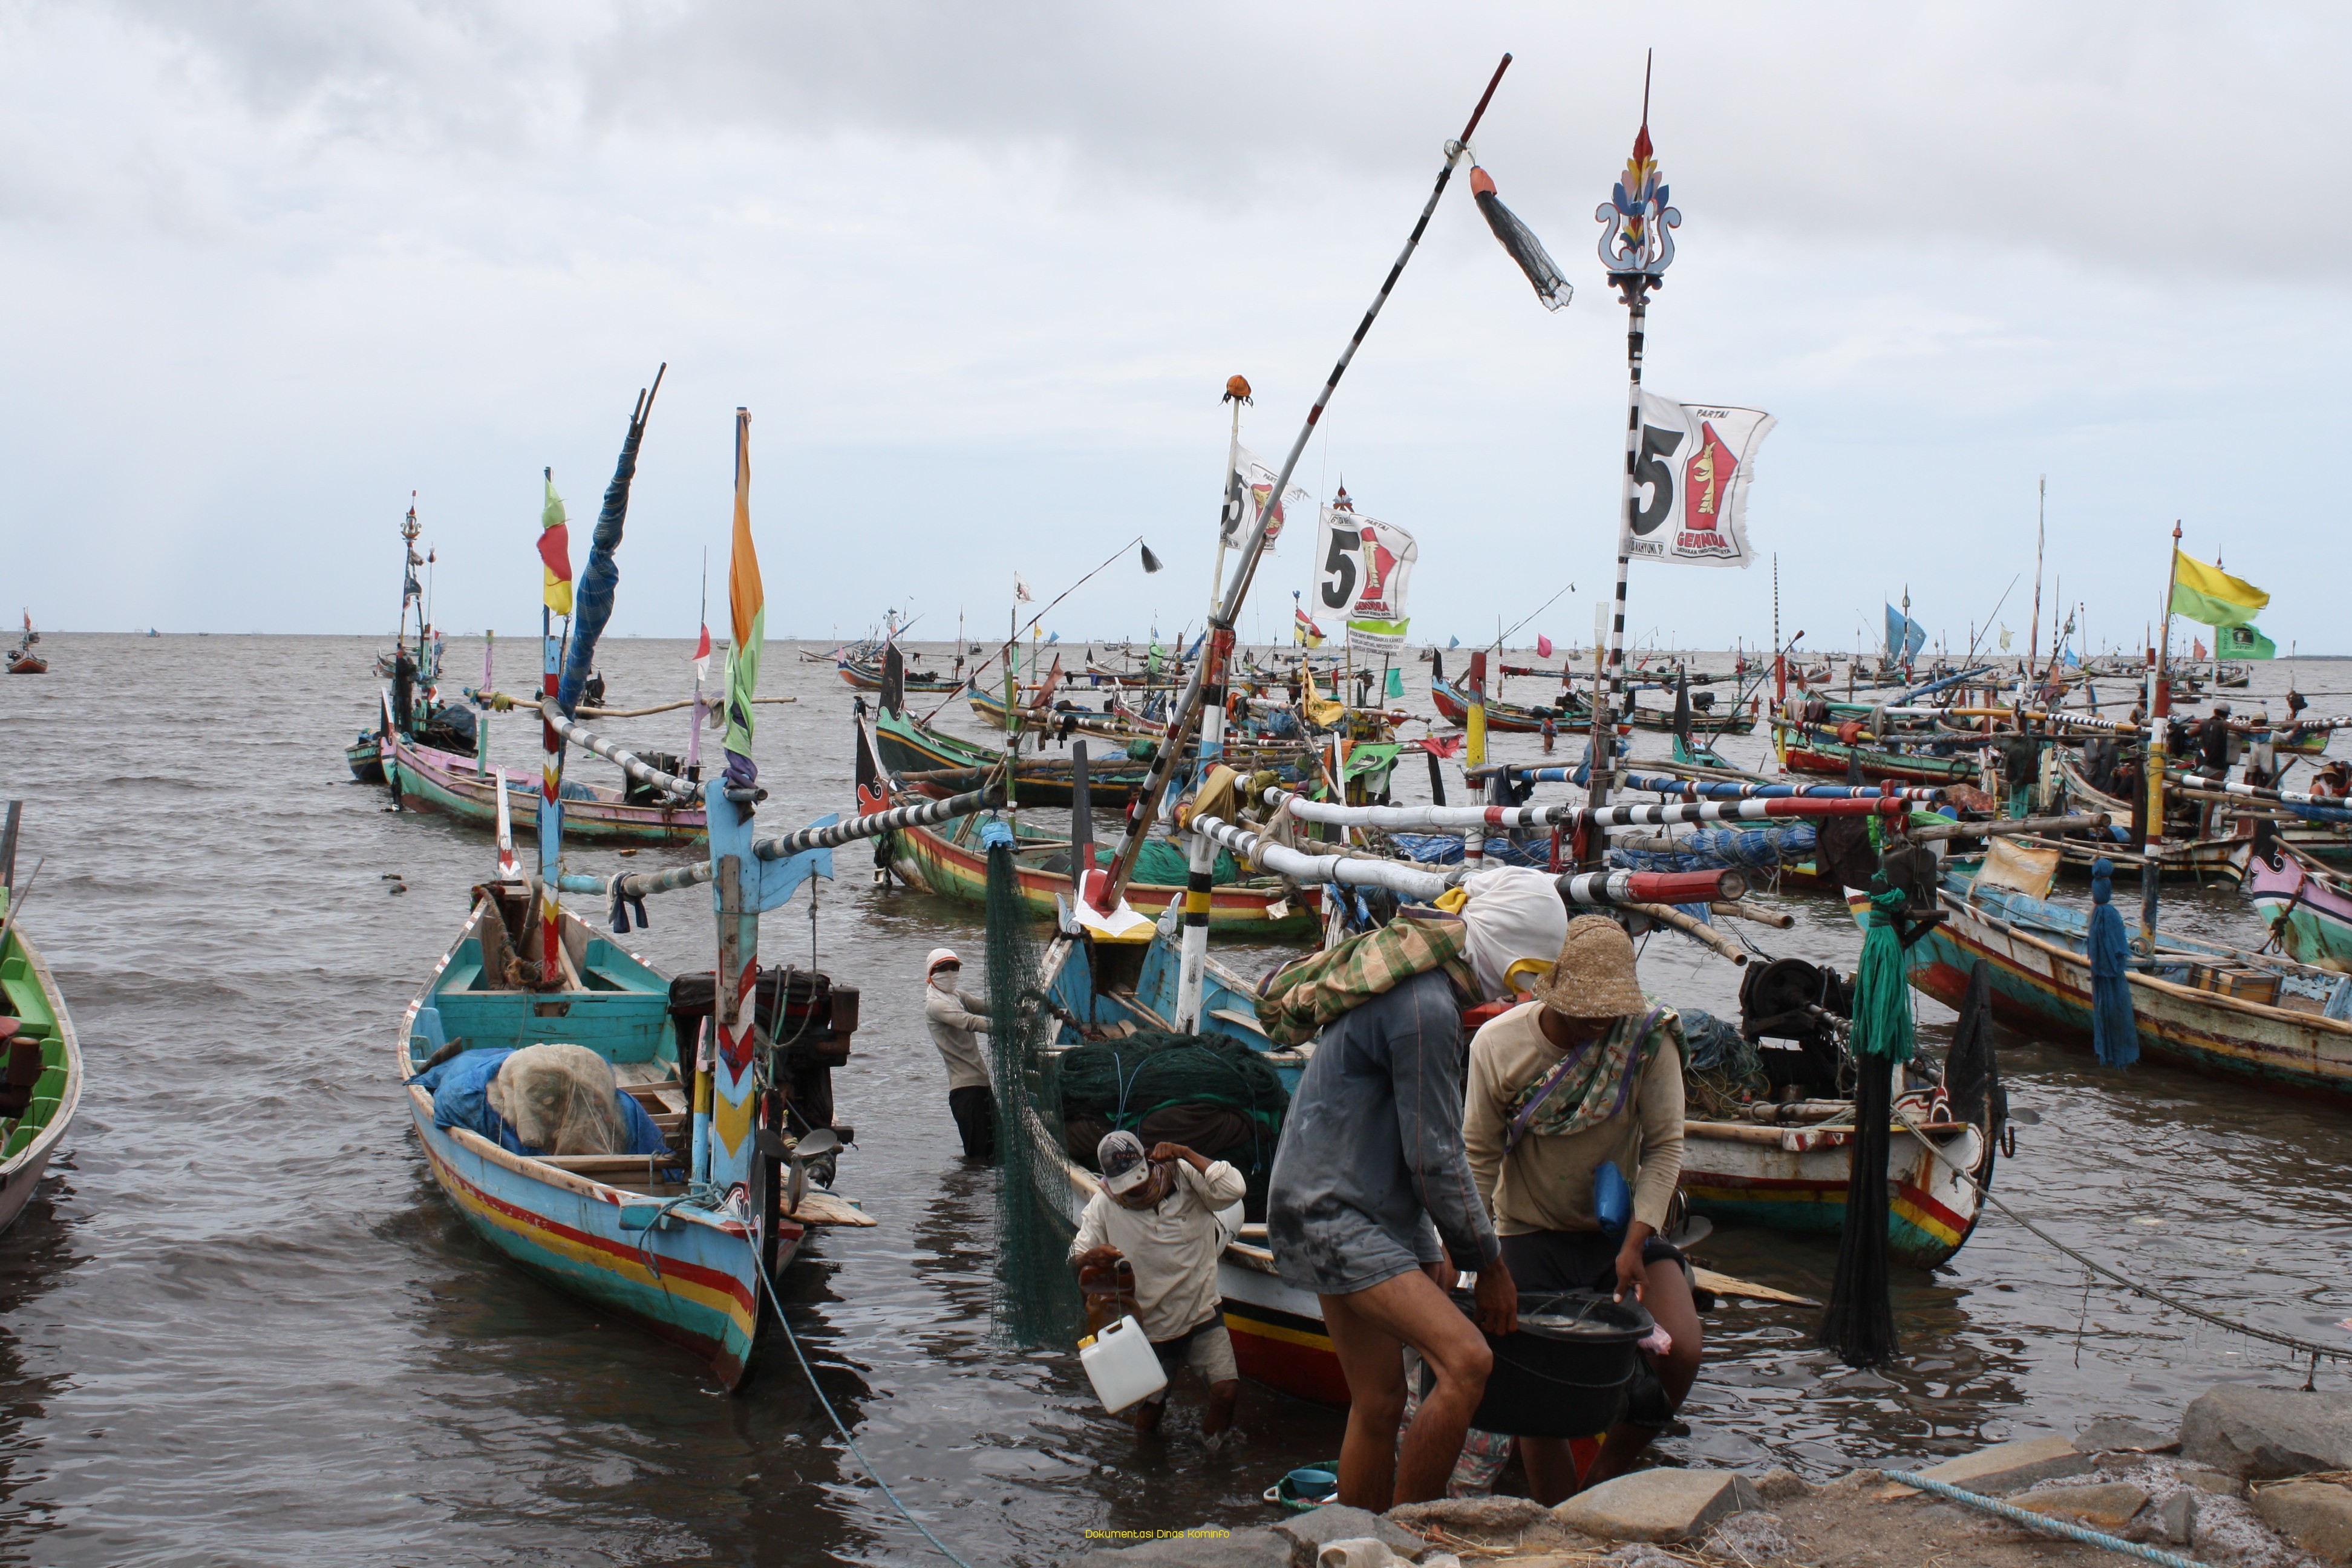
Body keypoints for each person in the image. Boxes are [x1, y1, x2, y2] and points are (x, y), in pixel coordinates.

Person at [1264, 867, 1567, 1511]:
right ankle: (1406, 1534)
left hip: (1324, 1205)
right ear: (1512, 956)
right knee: (1467, 1363)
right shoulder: (1426, 1007)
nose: (1522, 995)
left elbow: (1396, 1142)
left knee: (1378, 1401)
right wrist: (1489, 1265)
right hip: (1332, 1215)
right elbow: (1435, 1156)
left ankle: (1355, 1538)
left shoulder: (1417, 988)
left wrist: (1422, 1238)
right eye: (1529, 976)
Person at [1462, 915, 1702, 1501]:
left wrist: (1634, 1243)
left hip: (1620, 1231)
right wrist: (1478, 1259)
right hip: (1526, 1229)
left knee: (1683, 1351)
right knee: (1535, 1393)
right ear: (1553, 990)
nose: (1597, 1027)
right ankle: (1556, 1512)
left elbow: (1666, 1146)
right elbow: (1478, 1158)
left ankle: (1602, 1482)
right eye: (1583, 1014)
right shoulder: (1497, 1046)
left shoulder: (1647, 1037)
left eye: (1606, 1015)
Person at [1070, 1131, 1247, 1443]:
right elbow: (1074, 1259)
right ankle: (1146, 1465)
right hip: (1150, 1327)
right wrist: (1091, 1257)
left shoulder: (1186, 1176)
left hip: (1201, 1310)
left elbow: (1234, 1188)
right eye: (1125, 1186)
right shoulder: (1103, 1205)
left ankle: (1213, 1458)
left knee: (1226, 1392)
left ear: (1149, 1160)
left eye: (1137, 1179)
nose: (1134, 1190)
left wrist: (1186, 1152)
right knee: (1151, 1410)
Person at [922, 949, 995, 1160]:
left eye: (954, 968)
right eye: (942, 969)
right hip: (966, 1092)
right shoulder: (936, 1005)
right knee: (978, 1160)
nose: (949, 973)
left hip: (981, 1087)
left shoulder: (957, 996)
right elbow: (970, 1022)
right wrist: (1009, 1026)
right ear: (931, 973)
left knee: (991, 1155)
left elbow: (985, 1008)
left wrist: (1017, 1009)